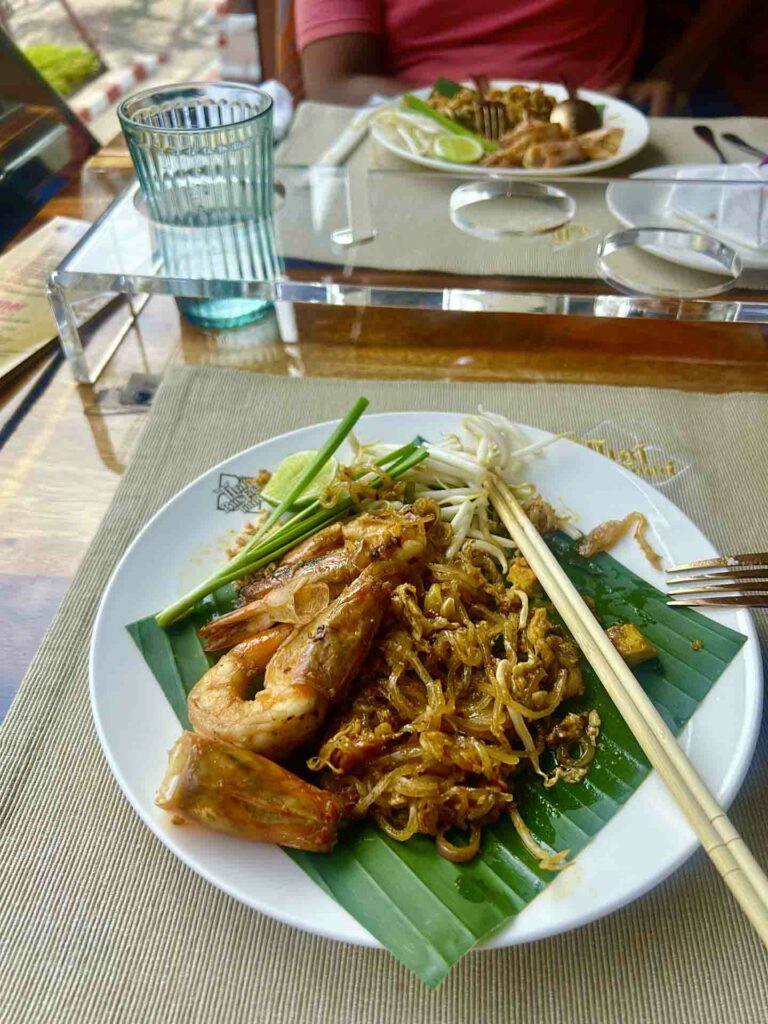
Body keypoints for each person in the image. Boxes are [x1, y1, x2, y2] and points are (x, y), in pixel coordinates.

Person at [295, 0, 755, 115]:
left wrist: (678, 69)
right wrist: (503, 115)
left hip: (607, 134)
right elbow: (336, 83)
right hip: (417, 131)